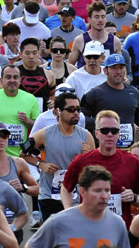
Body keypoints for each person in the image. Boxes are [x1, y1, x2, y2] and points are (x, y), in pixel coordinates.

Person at [61, 110, 139, 228]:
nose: (110, 134)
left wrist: (133, 197)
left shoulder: (133, 162)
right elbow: (65, 188)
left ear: (118, 133)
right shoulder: (82, 161)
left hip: (120, 229)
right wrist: (69, 211)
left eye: (114, 131)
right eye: (105, 131)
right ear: (96, 133)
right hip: (89, 227)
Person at [21, 90, 94, 221]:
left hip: (76, 196)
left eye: (78, 109)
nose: (76, 113)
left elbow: (94, 168)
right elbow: (23, 154)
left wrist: (88, 157)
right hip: (49, 195)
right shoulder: (43, 134)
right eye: (71, 109)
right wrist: (41, 164)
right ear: (57, 112)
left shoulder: (86, 136)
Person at [27, 165, 130, 248]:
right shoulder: (58, 222)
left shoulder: (117, 223)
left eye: (107, 190)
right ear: (82, 191)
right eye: (97, 191)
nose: (104, 196)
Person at [81, 53, 139, 147]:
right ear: (105, 71)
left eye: (121, 68)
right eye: (114, 68)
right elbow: (82, 119)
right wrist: (104, 124)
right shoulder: (95, 93)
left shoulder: (133, 92)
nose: (118, 71)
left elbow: (136, 114)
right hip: (104, 150)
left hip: (127, 149)